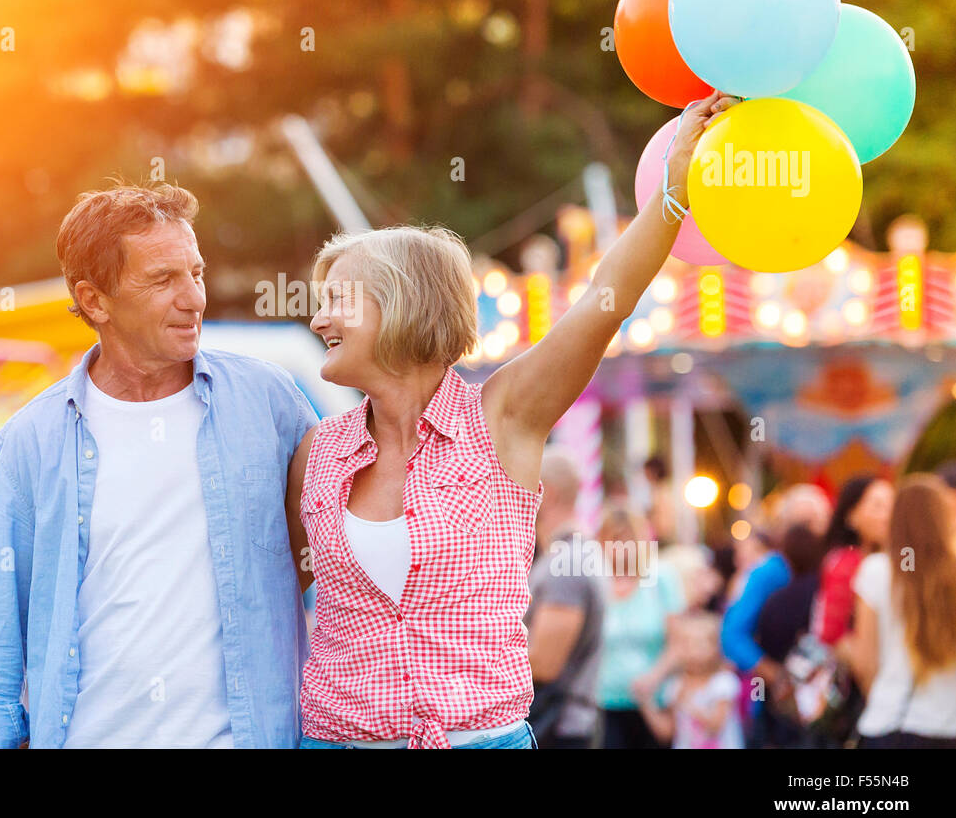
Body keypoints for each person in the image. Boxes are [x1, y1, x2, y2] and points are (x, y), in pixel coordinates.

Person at [290, 89, 740, 749]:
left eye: (337, 301)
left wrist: (672, 194)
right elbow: (274, 594)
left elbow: (604, 303)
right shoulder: (319, 451)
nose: (318, 319)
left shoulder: (502, 417)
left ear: (401, 306)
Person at [0, 182, 318, 749]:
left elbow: (332, 570)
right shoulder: (31, 442)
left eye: (195, 273)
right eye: (163, 279)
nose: (194, 298)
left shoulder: (270, 403)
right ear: (95, 299)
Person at [840, 474, 956, 747]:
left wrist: (880, 696)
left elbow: (865, 662)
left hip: (892, 722)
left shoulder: (876, 570)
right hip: (951, 726)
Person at [722, 482, 832, 740]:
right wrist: (775, 674)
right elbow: (733, 634)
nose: (809, 531)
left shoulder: (834, 566)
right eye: (800, 523)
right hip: (781, 708)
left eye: (815, 522)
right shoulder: (769, 572)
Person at [523, 447, 605, 748]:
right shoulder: (570, 554)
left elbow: (545, 664)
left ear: (548, 493)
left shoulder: (565, 563)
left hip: (558, 729)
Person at [597, 506, 686, 749]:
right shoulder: (595, 582)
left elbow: (678, 643)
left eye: (628, 539)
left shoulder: (661, 577)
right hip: (604, 703)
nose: (620, 547)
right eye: (614, 539)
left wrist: (654, 677)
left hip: (653, 704)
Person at [634, 611, 743, 749]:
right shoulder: (675, 685)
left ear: (715, 647)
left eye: (698, 644)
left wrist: (687, 704)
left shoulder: (724, 683)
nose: (692, 650)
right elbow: (667, 733)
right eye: (686, 644)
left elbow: (716, 726)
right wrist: (645, 703)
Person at [813, 474, 892, 647]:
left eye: (891, 505)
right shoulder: (845, 563)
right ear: (852, 516)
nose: (887, 515)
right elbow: (832, 634)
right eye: (877, 506)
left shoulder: (891, 559)